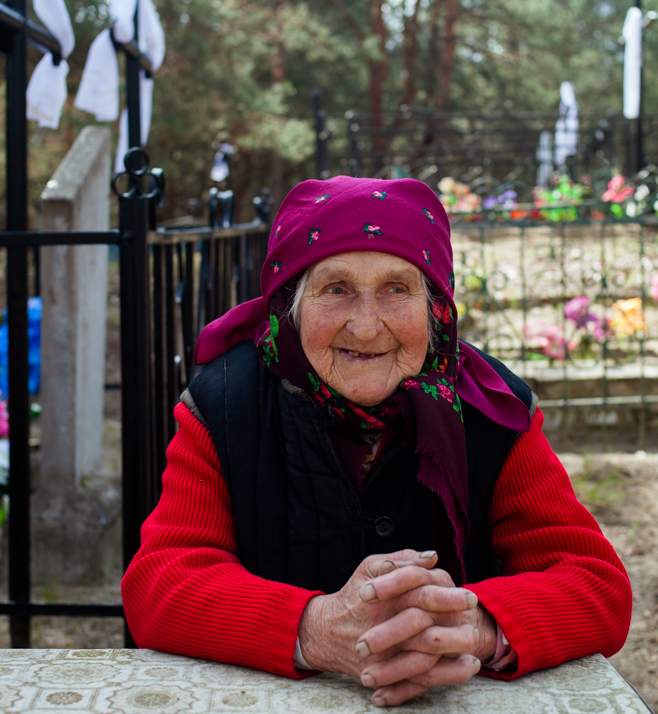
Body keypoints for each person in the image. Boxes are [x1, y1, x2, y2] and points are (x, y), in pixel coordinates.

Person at [122, 176, 631, 706]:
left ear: (435, 306)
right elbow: (160, 583)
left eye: (396, 289)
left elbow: (595, 585)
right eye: (336, 289)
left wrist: (465, 625)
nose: (366, 327)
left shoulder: (492, 409)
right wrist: (314, 628)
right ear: (290, 304)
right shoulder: (224, 404)